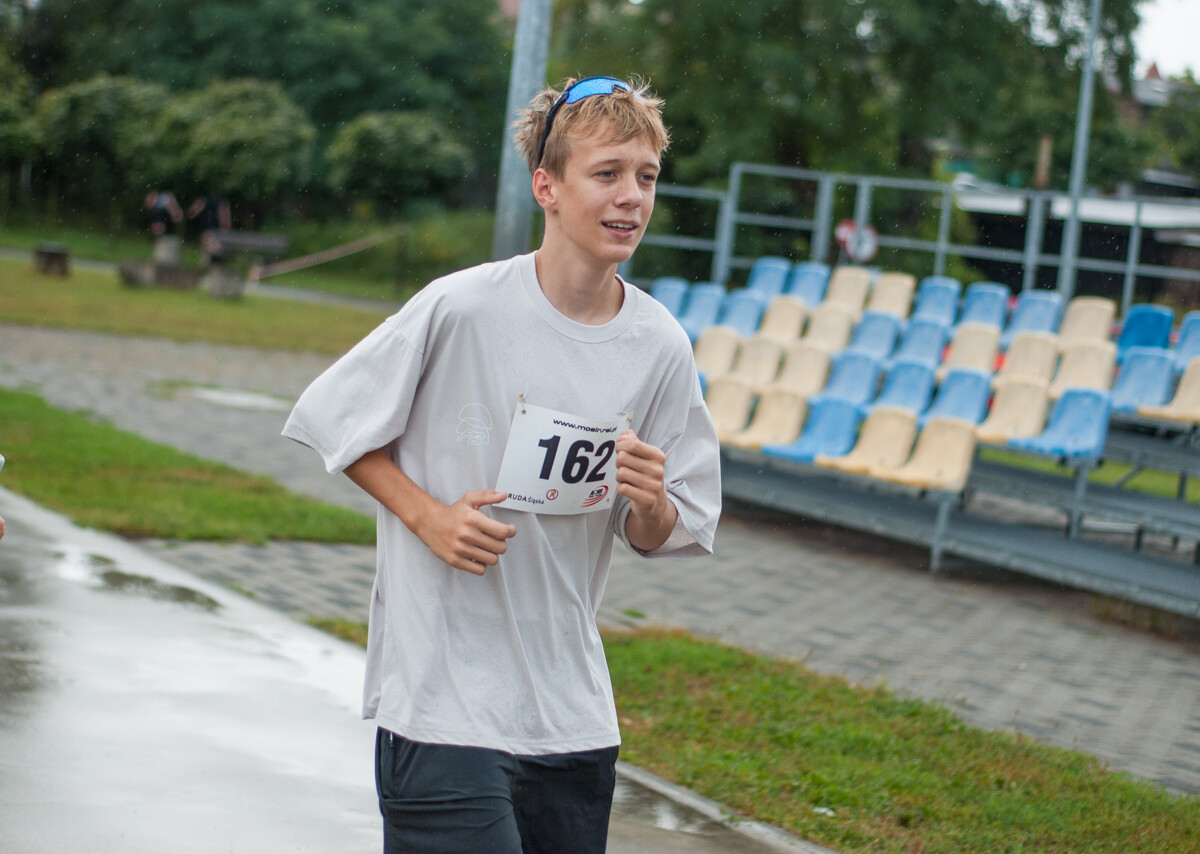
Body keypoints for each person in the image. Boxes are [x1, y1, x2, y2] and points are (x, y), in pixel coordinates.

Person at [282, 75, 721, 854]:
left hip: (570, 715)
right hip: (442, 704)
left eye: (646, 177)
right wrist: (428, 517)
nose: (631, 198)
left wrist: (651, 501)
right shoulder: (461, 307)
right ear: (546, 186)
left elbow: (660, 533)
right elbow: (332, 416)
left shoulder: (659, 344)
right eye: (608, 173)